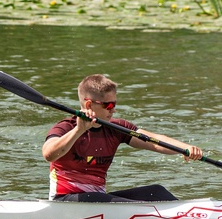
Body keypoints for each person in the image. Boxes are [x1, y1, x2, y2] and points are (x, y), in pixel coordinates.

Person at [42, 74, 203, 202]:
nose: (113, 110)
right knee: (109, 201)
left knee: (157, 192)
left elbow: (153, 141)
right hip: (65, 199)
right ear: (89, 105)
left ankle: (185, 216)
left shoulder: (116, 128)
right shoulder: (66, 127)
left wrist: (185, 148)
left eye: (115, 104)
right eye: (108, 105)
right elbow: (49, 154)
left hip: (100, 199)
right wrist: (78, 130)